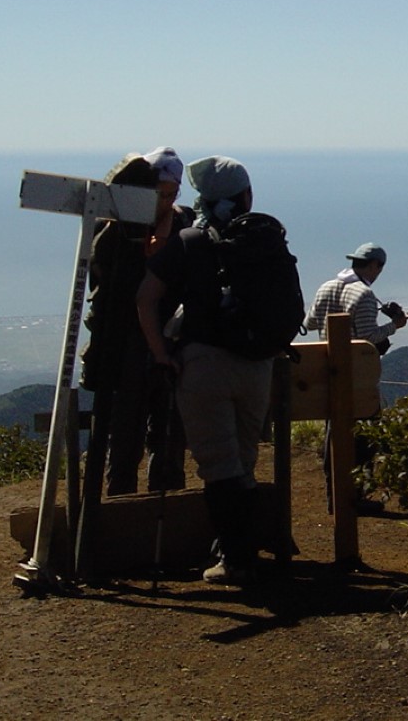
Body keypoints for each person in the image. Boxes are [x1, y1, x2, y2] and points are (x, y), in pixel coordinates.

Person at [137, 155, 274, 586]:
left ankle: (235, 561)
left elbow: (145, 299)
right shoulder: (266, 239)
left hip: (203, 364)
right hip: (258, 365)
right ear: (246, 197)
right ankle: (242, 552)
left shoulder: (189, 241)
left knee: (218, 466)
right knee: (245, 461)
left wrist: (161, 353)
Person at [80, 147, 190, 497]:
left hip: (171, 344)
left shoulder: (184, 225)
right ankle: (118, 505)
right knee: (125, 432)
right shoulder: (115, 228)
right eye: (158, 193)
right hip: (126, 344)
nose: (164, 201)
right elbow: (104, 275)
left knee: (170, 432)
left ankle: (167, 507)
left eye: (170, 194)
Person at [305, 243, 408, 512]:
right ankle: (355, 497)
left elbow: (311, 323)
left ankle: (334, 496)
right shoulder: (363, 293)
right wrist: (394, 326)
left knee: (334, 433)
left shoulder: (327, 286)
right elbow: (367, 337)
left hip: (327, 371)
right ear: (374, 265)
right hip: (355, 375)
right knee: (363, 438)